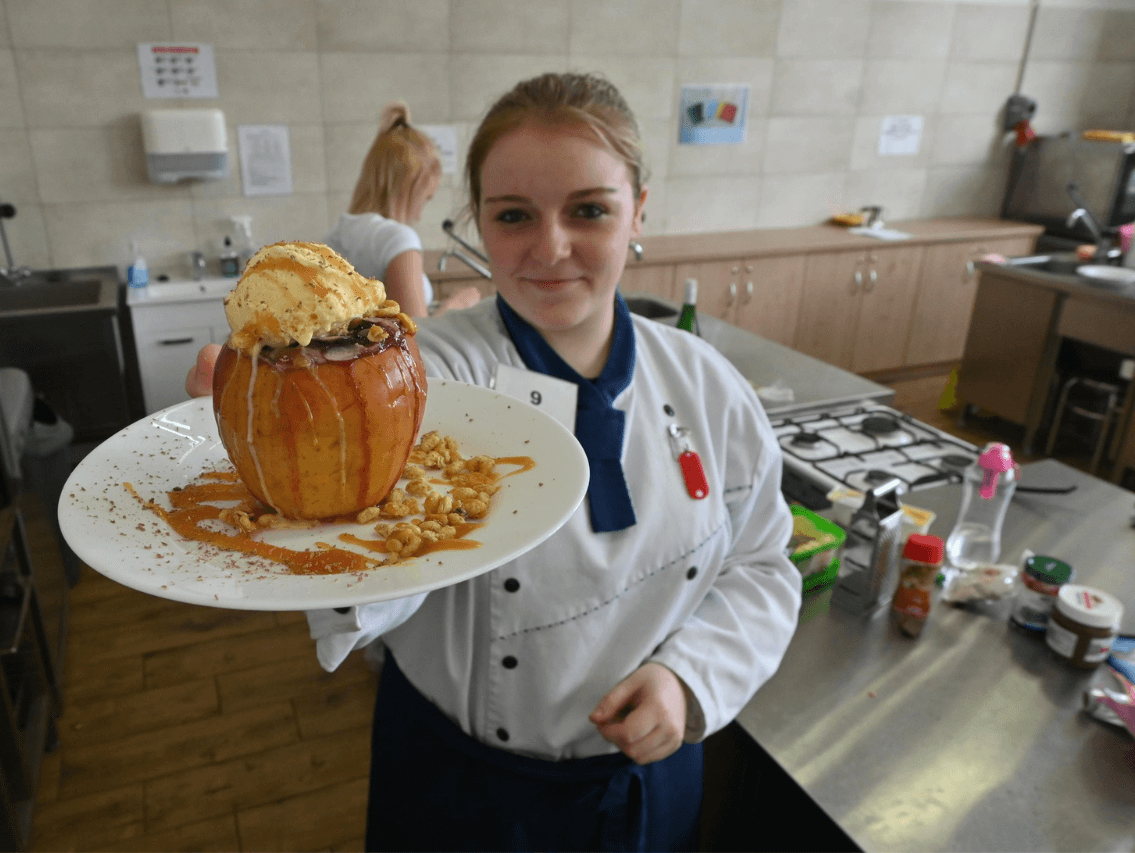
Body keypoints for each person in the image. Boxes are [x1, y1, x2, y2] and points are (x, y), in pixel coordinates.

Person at [186, 72, 801, 852]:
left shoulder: (707, 385)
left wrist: (692, 678)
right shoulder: (420, 381)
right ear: (476, 220)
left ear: (638, 210)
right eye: (514, 216)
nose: (550, 248)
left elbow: (762, 563)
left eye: (589, 210)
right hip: (459, 786)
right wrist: (281, 448)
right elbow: (373, 554)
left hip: (648, 774)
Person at [323, 101, 481, 318]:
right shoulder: (397, 239)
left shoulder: (336, 234)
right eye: (425, 199)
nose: (420, 213)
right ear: (408, 191)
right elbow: (416, 336)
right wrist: (458, 303)